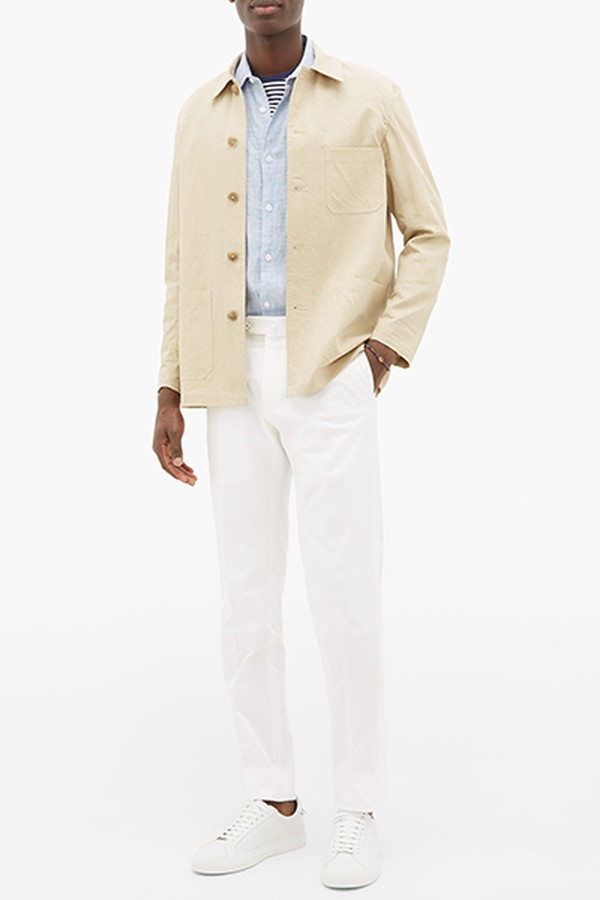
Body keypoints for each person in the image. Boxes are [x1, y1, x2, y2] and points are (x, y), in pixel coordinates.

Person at [152, 0, 450, 889]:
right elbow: (181, 260)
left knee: (344, 591)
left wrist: (384, 347)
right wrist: (169, 385)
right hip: (226, 372)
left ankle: (356, 806)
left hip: (330, 368)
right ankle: (274, 801)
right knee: (245, 599)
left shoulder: (371, 97)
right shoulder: (198, 113)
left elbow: (428, 232)